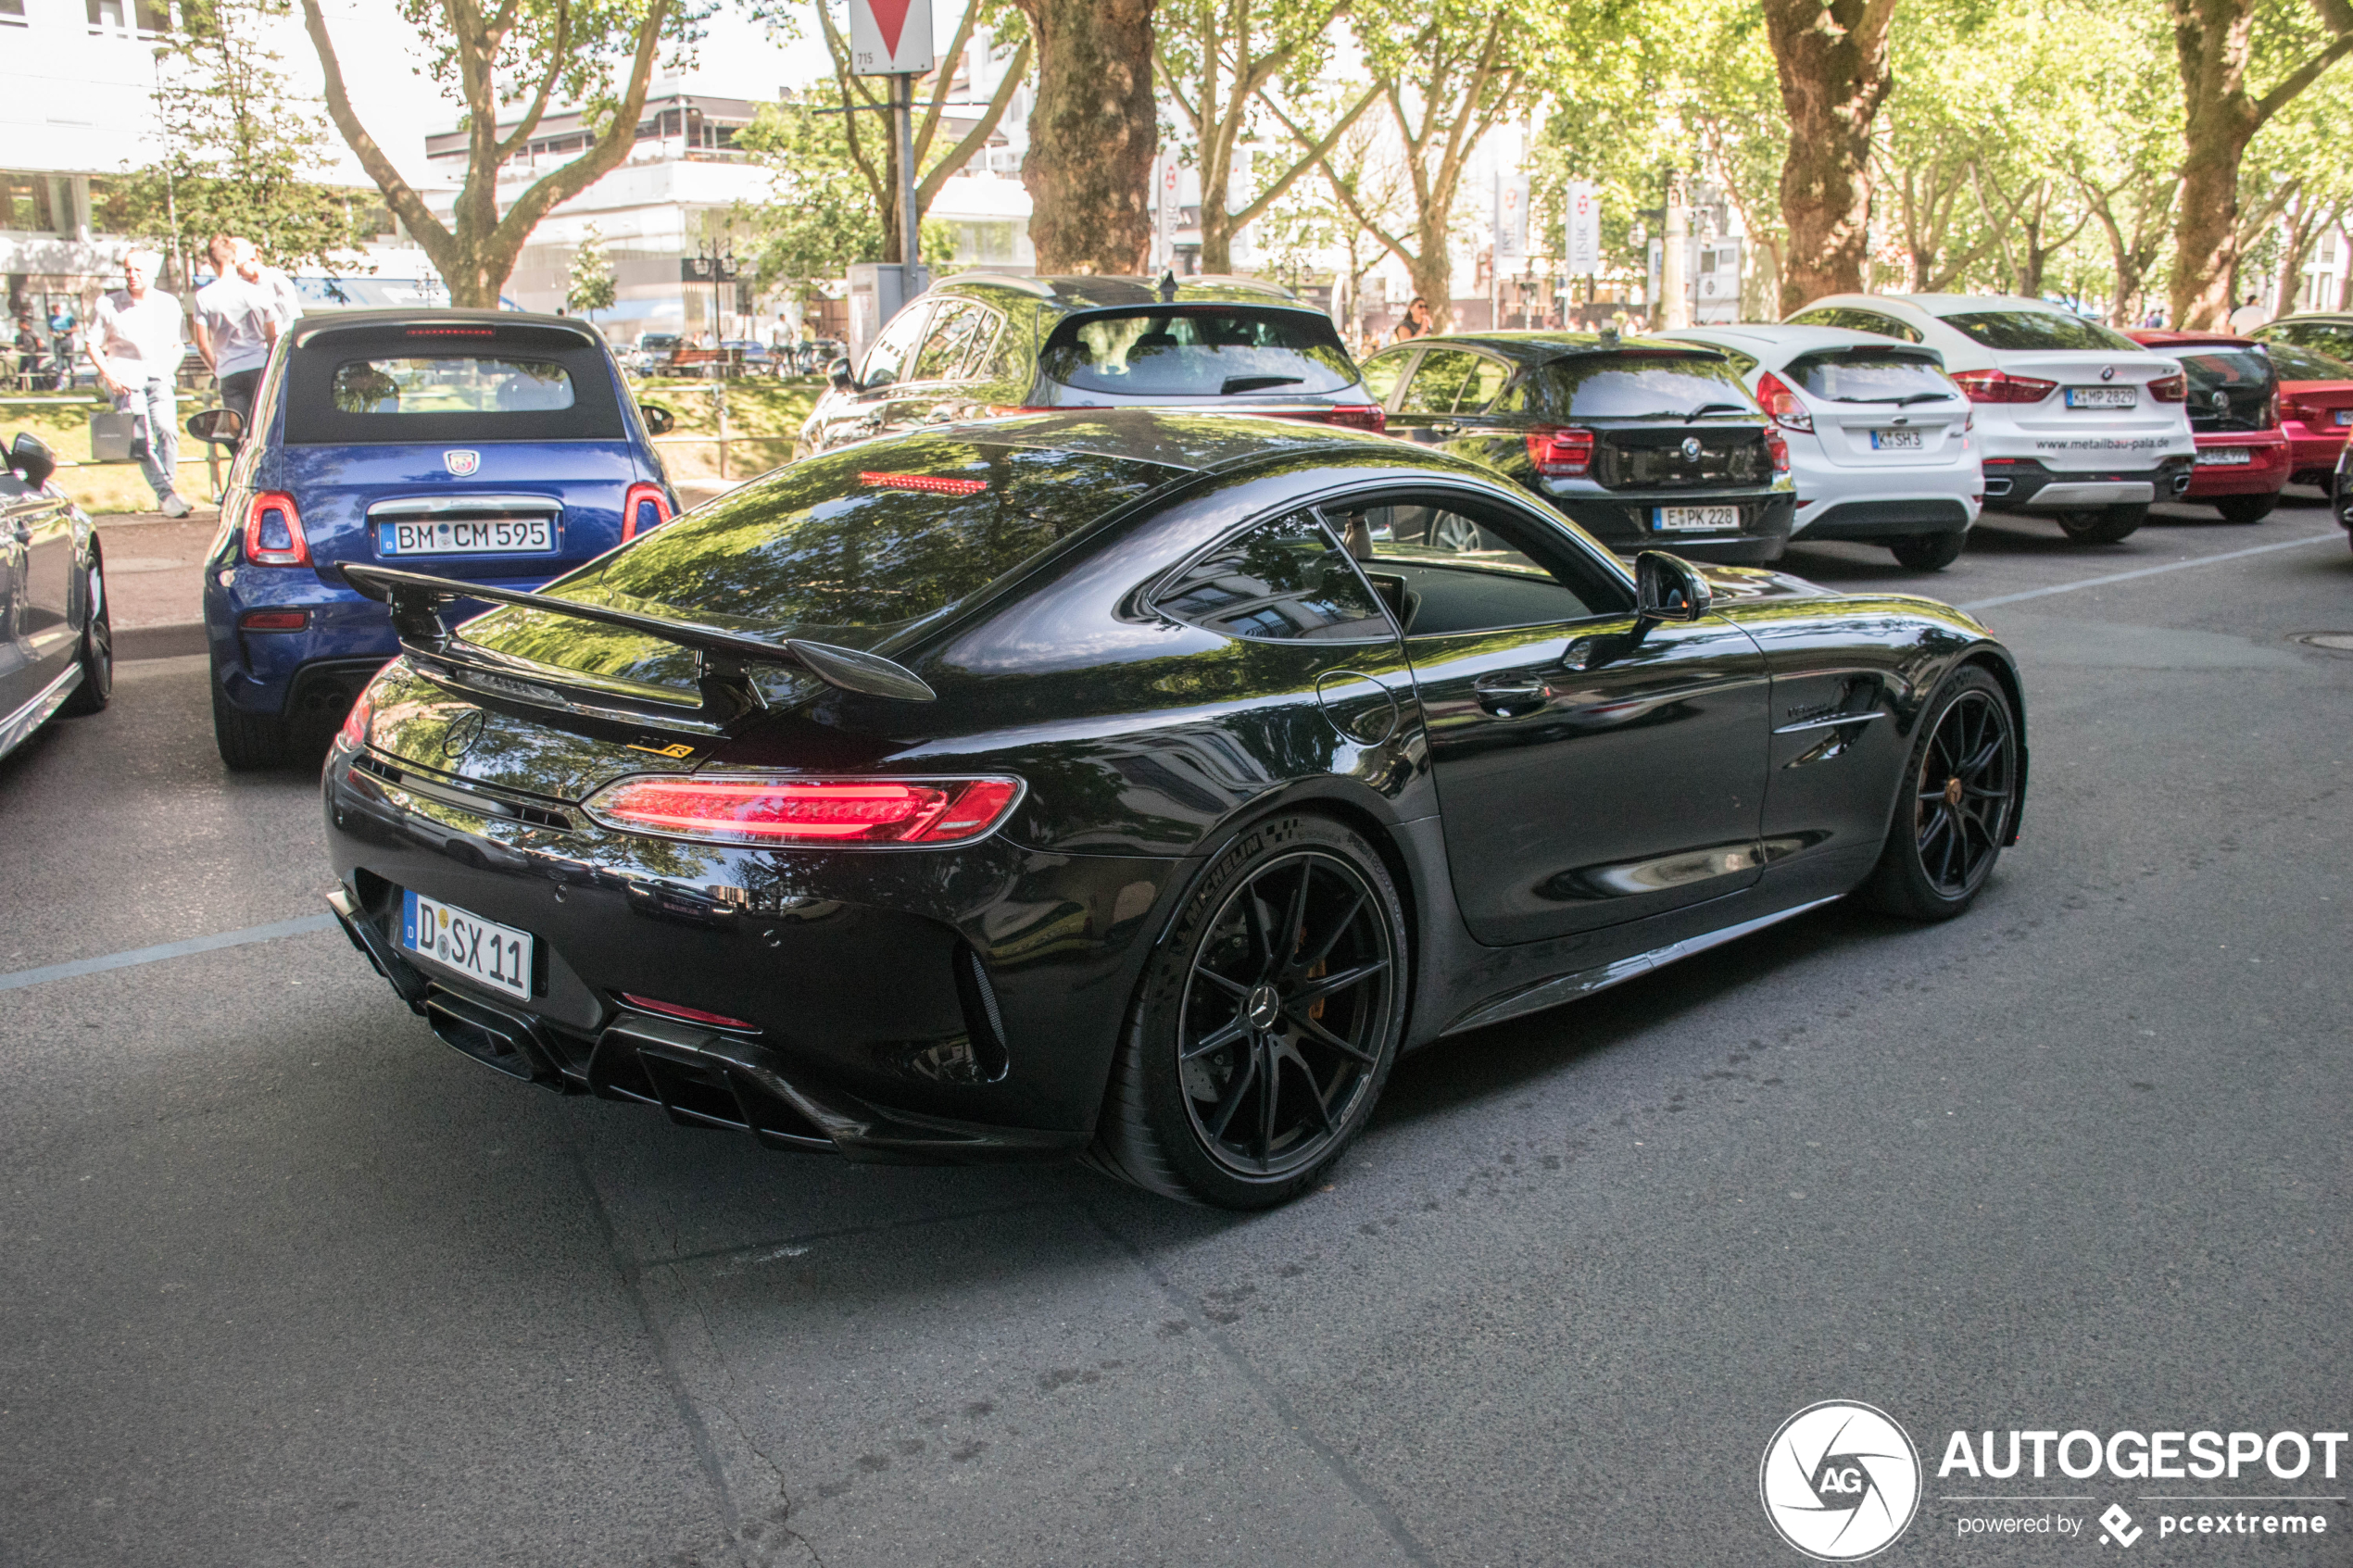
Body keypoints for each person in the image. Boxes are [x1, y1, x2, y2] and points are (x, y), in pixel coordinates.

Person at [86, 249, 191, 517]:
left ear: (152, 274)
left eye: (138, 270)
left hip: (160, 376)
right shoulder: (108, 305)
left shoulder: (168, 304)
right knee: (141, 440)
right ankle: (167, 495)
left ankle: (167, 490)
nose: (131, 275)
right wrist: (109, 375)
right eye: (127, 270)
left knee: (168, 430)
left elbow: (179, 343)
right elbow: (92, 344)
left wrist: (169, 369)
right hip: (126, 379)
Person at [192, 234, 281, 434]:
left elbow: (203, 345)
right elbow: (272, 337)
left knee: (237, 433)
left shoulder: (204, 297)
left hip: (229, 369)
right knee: (263, 428)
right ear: (234, 259)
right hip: (259, 366)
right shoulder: (256, 293)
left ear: (212, 262)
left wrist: (218, 367)